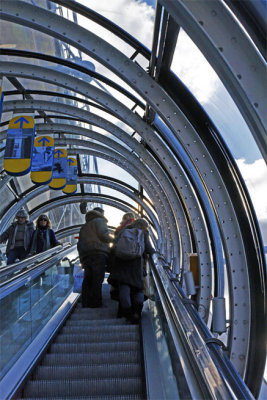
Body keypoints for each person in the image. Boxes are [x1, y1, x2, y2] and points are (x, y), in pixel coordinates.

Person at [109, 218, 155, 323]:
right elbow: (149, 249)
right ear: (144, 226)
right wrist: (155, 255)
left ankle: (126, 312)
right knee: (138, 288)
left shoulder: (123, 231)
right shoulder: (143, 233)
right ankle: (136, 313)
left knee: (124, 286)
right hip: (136, 265)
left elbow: (114, 247)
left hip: (121, 264)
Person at [77, 207, 113, 308]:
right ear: (100, 213)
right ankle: (96, 302)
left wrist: (81, 259)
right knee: (97, 278)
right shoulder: (100, 220)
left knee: (88, 278)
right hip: (98, 253)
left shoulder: (84, 227)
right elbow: (103, 235)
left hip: (86, 255)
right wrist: (114, 240)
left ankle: (85, 302)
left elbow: (79, 244)